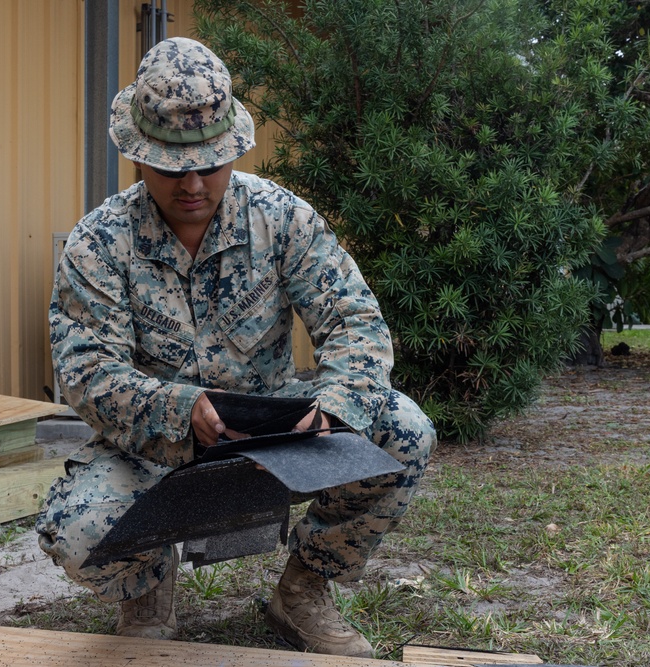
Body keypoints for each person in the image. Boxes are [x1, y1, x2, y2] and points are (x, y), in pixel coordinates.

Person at [37, 36, 436, 658]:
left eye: (211, 162)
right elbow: (88, 374)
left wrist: (334, 406)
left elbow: (354, 320)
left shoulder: (281, 218)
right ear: (139, 157)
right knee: (78, 528)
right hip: (155, 449)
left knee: (403, 431)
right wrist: (179, 410)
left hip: (280, 438)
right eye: (173, 165)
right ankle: (147, 591)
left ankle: (303, 593)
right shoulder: (100, 242)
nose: (193, 182)